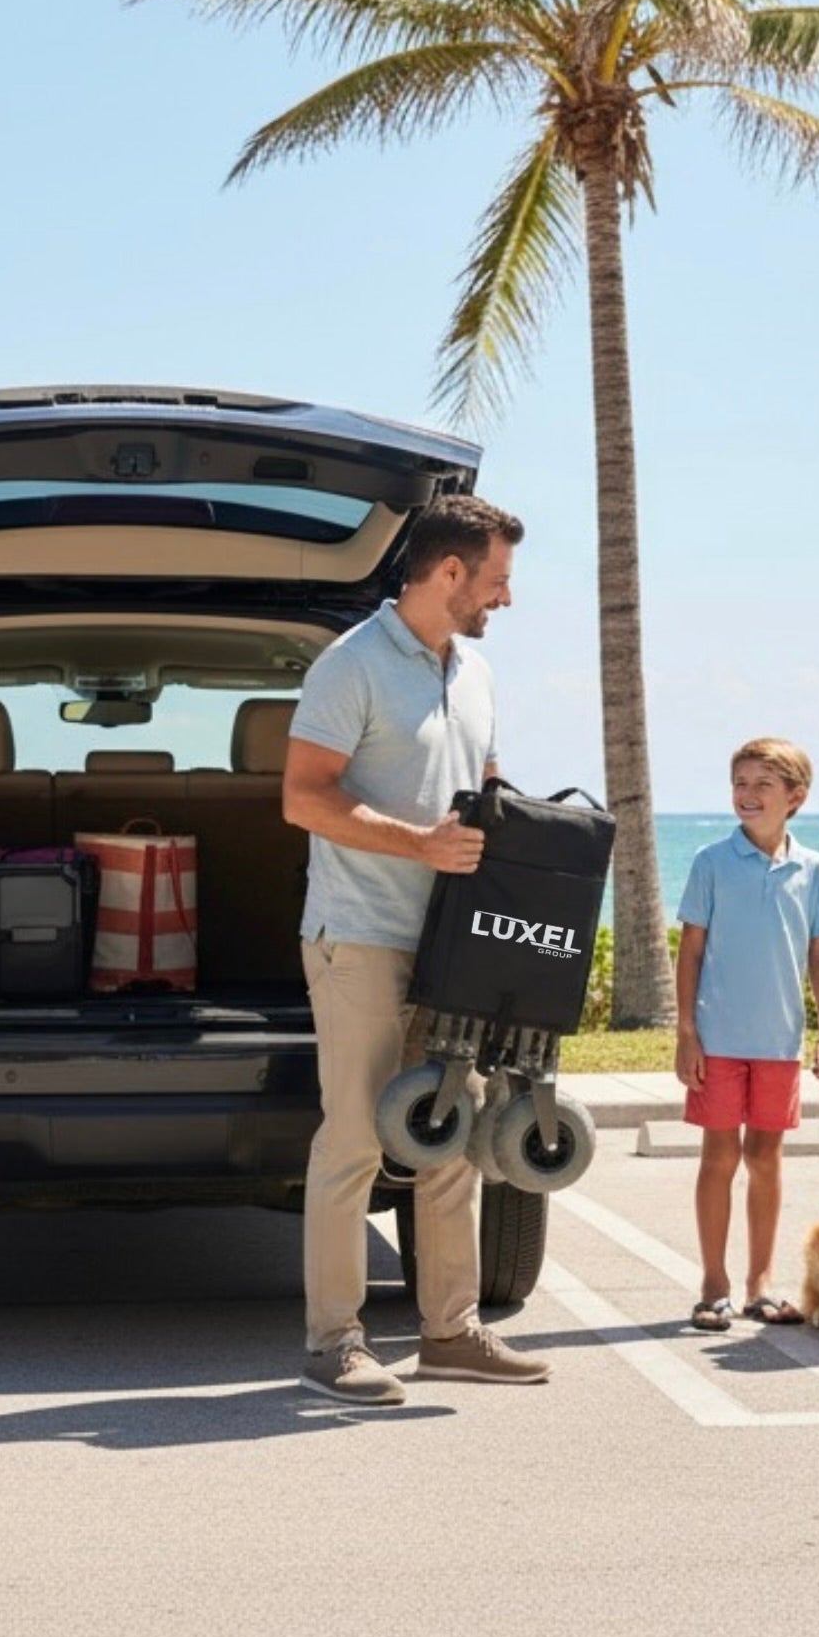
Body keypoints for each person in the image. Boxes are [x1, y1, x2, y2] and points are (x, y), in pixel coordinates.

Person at [282, 493, 550, 1406]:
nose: (504, 599)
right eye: (498, 580)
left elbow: (478, 785)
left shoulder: (469, 671)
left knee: (452, 1137)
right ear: (448, 573)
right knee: (355, 1139)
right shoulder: (349, 667)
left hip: (451, 950)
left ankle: (450, 1332)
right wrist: (421, 844)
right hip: (359, 937)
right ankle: (333, 1344)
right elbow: (305, 798)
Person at [674, 737, 819, 1332]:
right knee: (719, 1157)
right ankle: (713, 1284)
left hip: (779, 1043)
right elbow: (689, 951)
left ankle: (760, 1285)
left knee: (765, 1160)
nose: (746, 795)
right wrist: (686, 1032)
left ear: (794, 798)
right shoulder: (710, 863)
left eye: (761, 786)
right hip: (717, 1041)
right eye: (739, 784)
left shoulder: (814, 869)